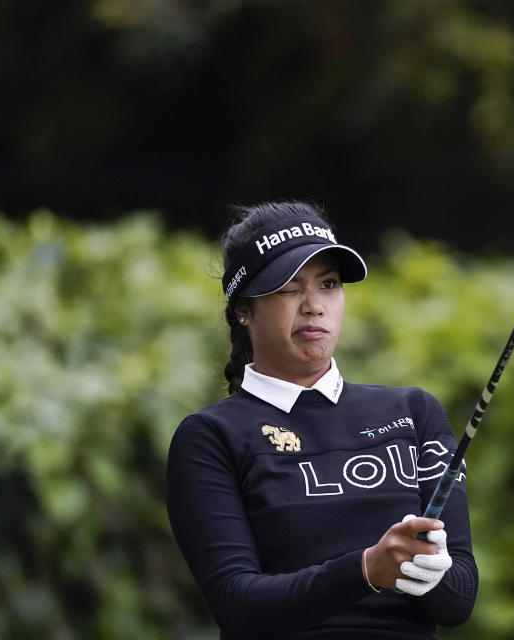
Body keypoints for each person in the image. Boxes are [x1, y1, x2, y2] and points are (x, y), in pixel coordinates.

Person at [165, 200, 478, 639]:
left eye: (328, 284)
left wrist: (429, 571)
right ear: (243, 309)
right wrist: (366, 569)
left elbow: (460, 599)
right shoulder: (210, 438)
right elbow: (236, 603)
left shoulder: (415, 413)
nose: (314, 305)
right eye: (289, 288)